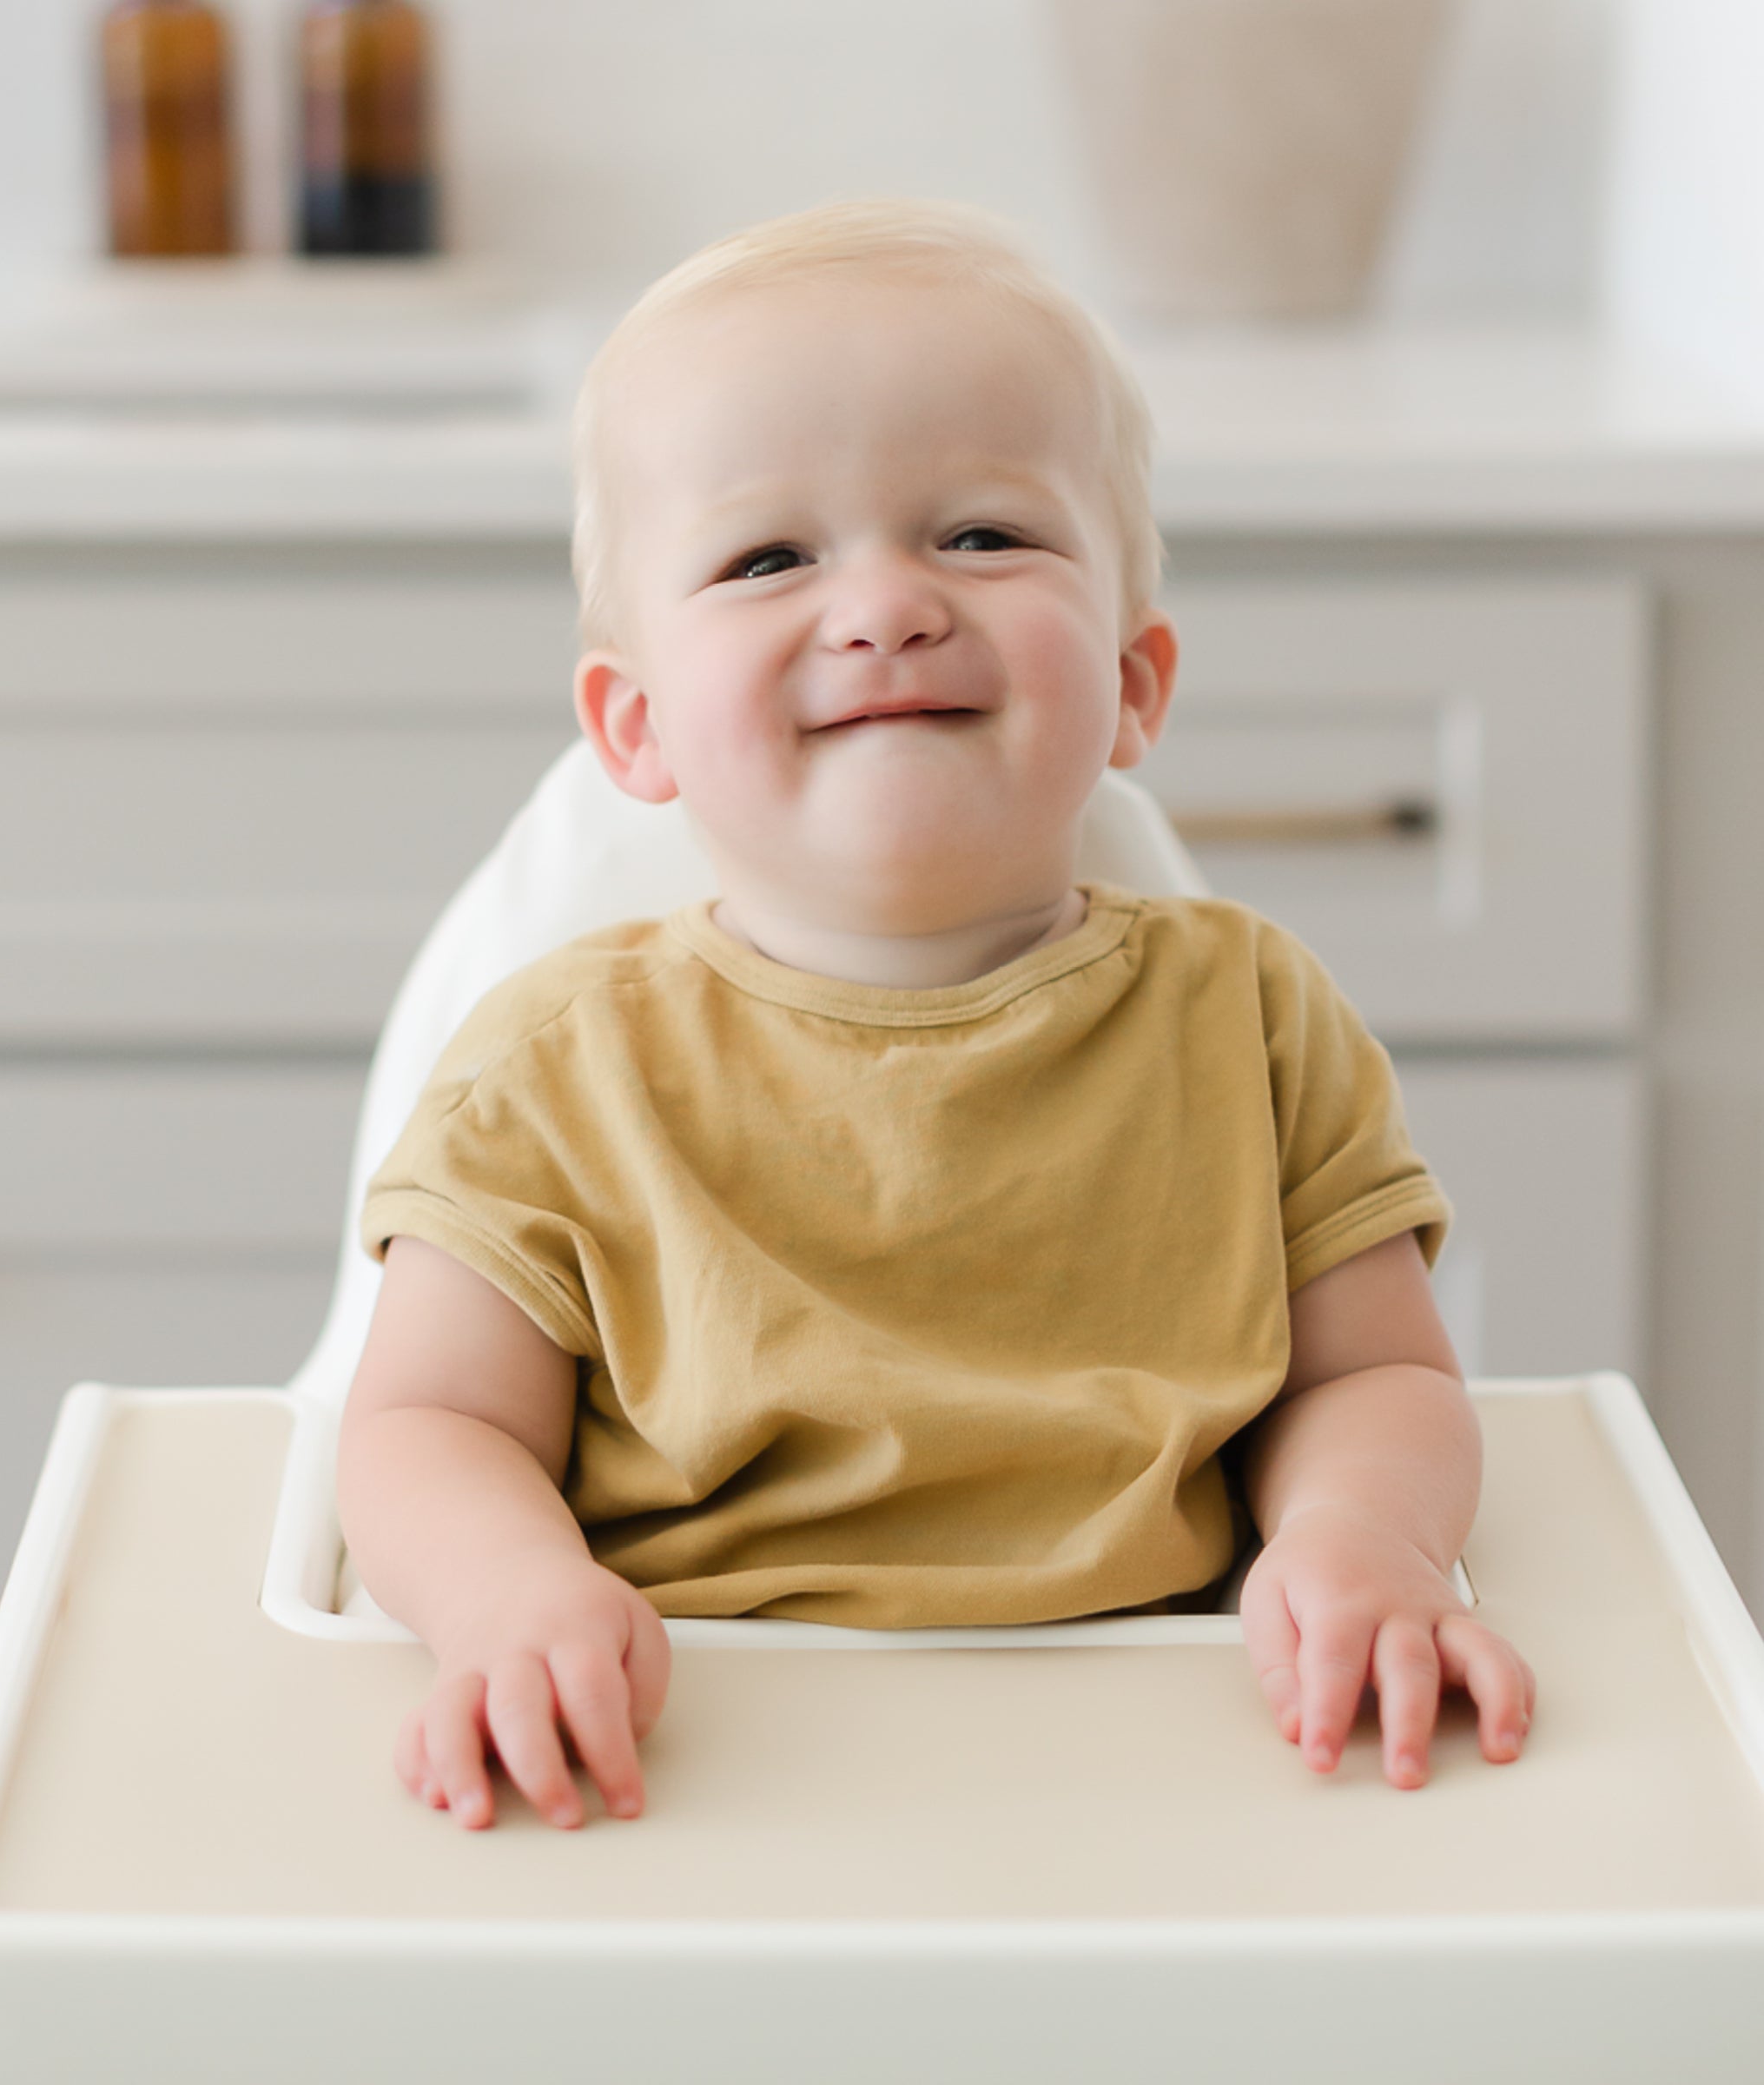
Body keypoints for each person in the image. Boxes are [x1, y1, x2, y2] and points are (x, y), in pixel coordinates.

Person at [336, 195, 1536, 1833]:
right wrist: (506, 1603)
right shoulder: (555, 1069)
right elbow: (425, 1424)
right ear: (634, 729)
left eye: (981, 535)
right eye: (769, 558)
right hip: (697, 1767)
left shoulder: (1253, 1019)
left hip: (1182, 1764)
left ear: (1134, 682)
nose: (887, 605)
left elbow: (1374, 1383)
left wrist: (1359, 1544)